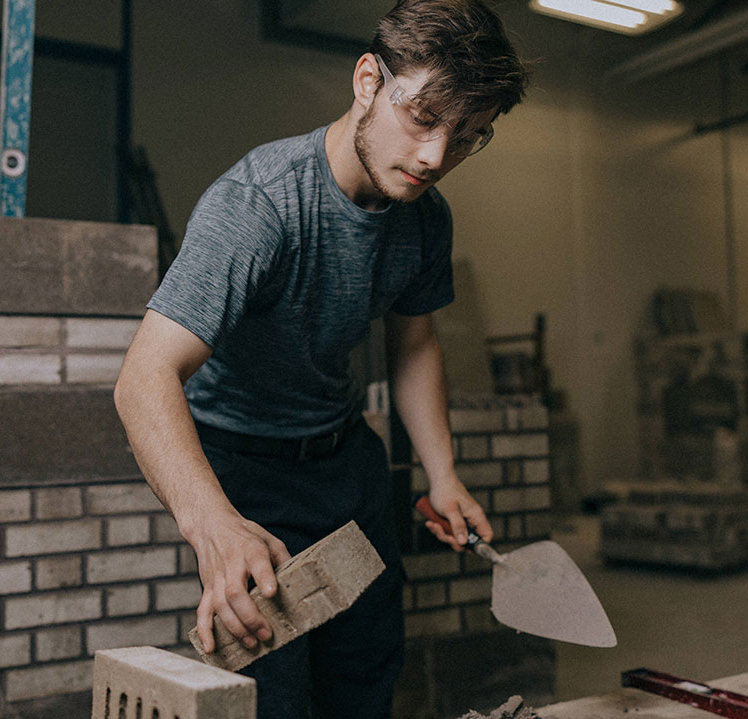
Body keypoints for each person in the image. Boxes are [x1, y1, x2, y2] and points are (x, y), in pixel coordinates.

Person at [113, 1, 527, 716]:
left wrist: (444, 473)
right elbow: (143, 378)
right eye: (424, 117)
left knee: (365, 674)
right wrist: (213, 523)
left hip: (344, 464)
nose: (436, 156)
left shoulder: (425, 218)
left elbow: (415, 342)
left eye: (467, 136)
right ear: (368, 79)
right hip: (246, 474)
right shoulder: (261, 204)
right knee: (275, 697)